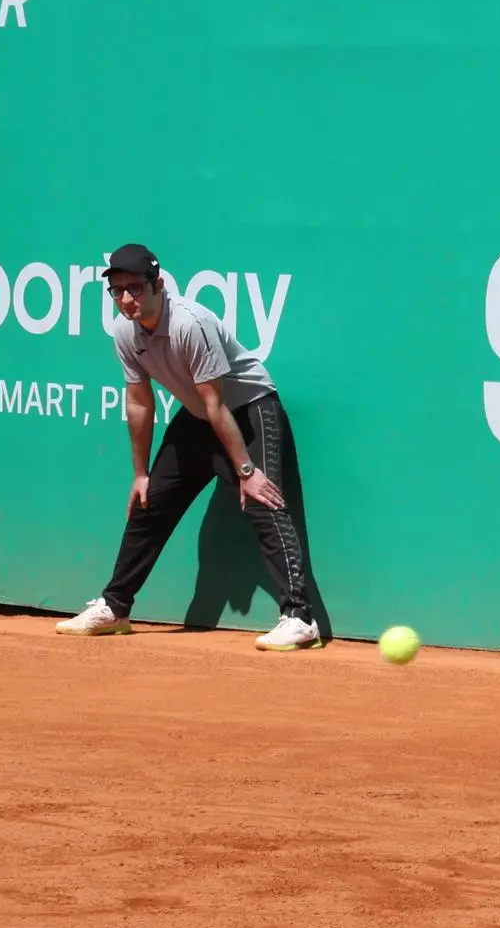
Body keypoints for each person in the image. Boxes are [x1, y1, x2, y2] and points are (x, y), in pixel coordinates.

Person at [55, 243, 321, 651]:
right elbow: (140, 402)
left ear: (157, 284)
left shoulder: (190, 324)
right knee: (151, 502)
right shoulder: (125, 332)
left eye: (135, 289)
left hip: (247, 409)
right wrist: (141, 473)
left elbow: (217, 404)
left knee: (263, 501)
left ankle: (300, 618)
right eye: (117, 291)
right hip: (198, 416)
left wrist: (246, 471)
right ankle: (115, 607)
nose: (125, 299)